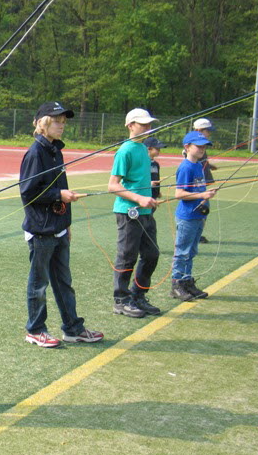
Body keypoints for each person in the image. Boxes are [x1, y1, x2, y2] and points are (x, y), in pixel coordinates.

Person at [19, 102, 104, 348]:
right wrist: (59, 196)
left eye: (64, 122)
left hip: (58, 229)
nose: (61, 125)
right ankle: (35, 330)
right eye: (57, 121)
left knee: (63, 282)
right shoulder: (35, 153)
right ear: (43, 123)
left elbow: (57, 189)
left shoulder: (56, 151)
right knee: (39, 284)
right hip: (41, 231)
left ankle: (73, 328)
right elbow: (28, 192)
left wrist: (66, 225)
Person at [108, 108, 161, 318]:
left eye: (149, 124)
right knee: (127, 257)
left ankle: (138, 295)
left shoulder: (143, 148)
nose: (147, 128)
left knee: (151, 254)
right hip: (128, 212)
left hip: (146, 211)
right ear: (131, 126)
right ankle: (121, 300)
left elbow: (138, 180)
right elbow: (113, 185)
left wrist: (149, 193)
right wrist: (139, 198)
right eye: (143, 124)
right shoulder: (125, 151)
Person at [170, 131, 217, 301]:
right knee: (182, 252)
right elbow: (179, 194)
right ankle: (177, 284)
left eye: (204, 146)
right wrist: (201, 196)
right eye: (198, 146)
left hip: (199, 215)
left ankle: (187, 281)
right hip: (187, 217)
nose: (202, 149)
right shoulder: (186, 167)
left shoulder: (199, 165)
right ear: (187, 147)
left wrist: (206, 193)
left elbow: (198, 189)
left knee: (191, 251)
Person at [192, 118, 218, 243]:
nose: (209, 133)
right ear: (199, 130)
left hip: (203, 181)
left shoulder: (202, 145)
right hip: (197, 183)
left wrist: (209, 166)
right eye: (207, 131)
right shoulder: (193, 145)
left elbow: (202, 160)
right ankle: (195, 234)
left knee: (204, 206)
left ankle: (197, 233)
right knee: (200, 206)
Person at [143, 137, 166, 201]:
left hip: (153, 196)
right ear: (149, 148)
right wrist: (148, 184)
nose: (159, 150)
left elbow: (156, 178)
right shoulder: (142, 163)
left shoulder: (156, 164)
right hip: (144, 196)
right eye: (157, 149)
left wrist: (157, 192)